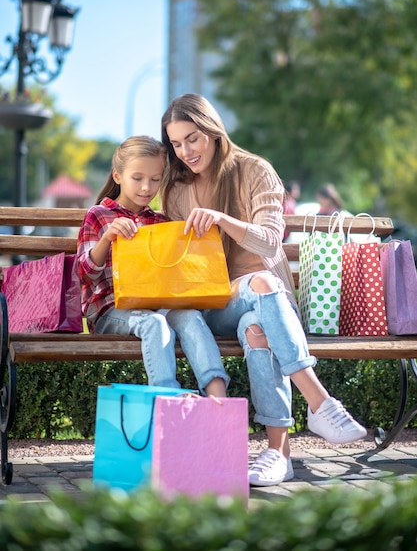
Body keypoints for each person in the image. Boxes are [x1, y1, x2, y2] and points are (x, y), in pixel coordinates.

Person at [160, 94, 366, 487]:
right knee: (263, 285)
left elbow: (271, 243)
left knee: (259, 328)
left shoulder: (255, 171)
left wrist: (223, 219)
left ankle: (278, 455)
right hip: (216, 303)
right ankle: (320, 403)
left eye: (193, 138)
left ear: (213, 131)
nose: (185, 151)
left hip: (271, 305)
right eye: (176, 143)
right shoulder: (177, 190)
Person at [77, 135, 229, 398]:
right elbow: (85, 274)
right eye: (137, 178)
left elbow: (171, 277)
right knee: (155, 322)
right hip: (110, 310)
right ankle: (167, 397)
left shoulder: (160, 222)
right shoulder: (99, 215)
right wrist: (107, 238)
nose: (147, 187)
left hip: (155, 303)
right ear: (117, 176)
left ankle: (218, 395)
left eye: (155, 179)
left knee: (189, 316)